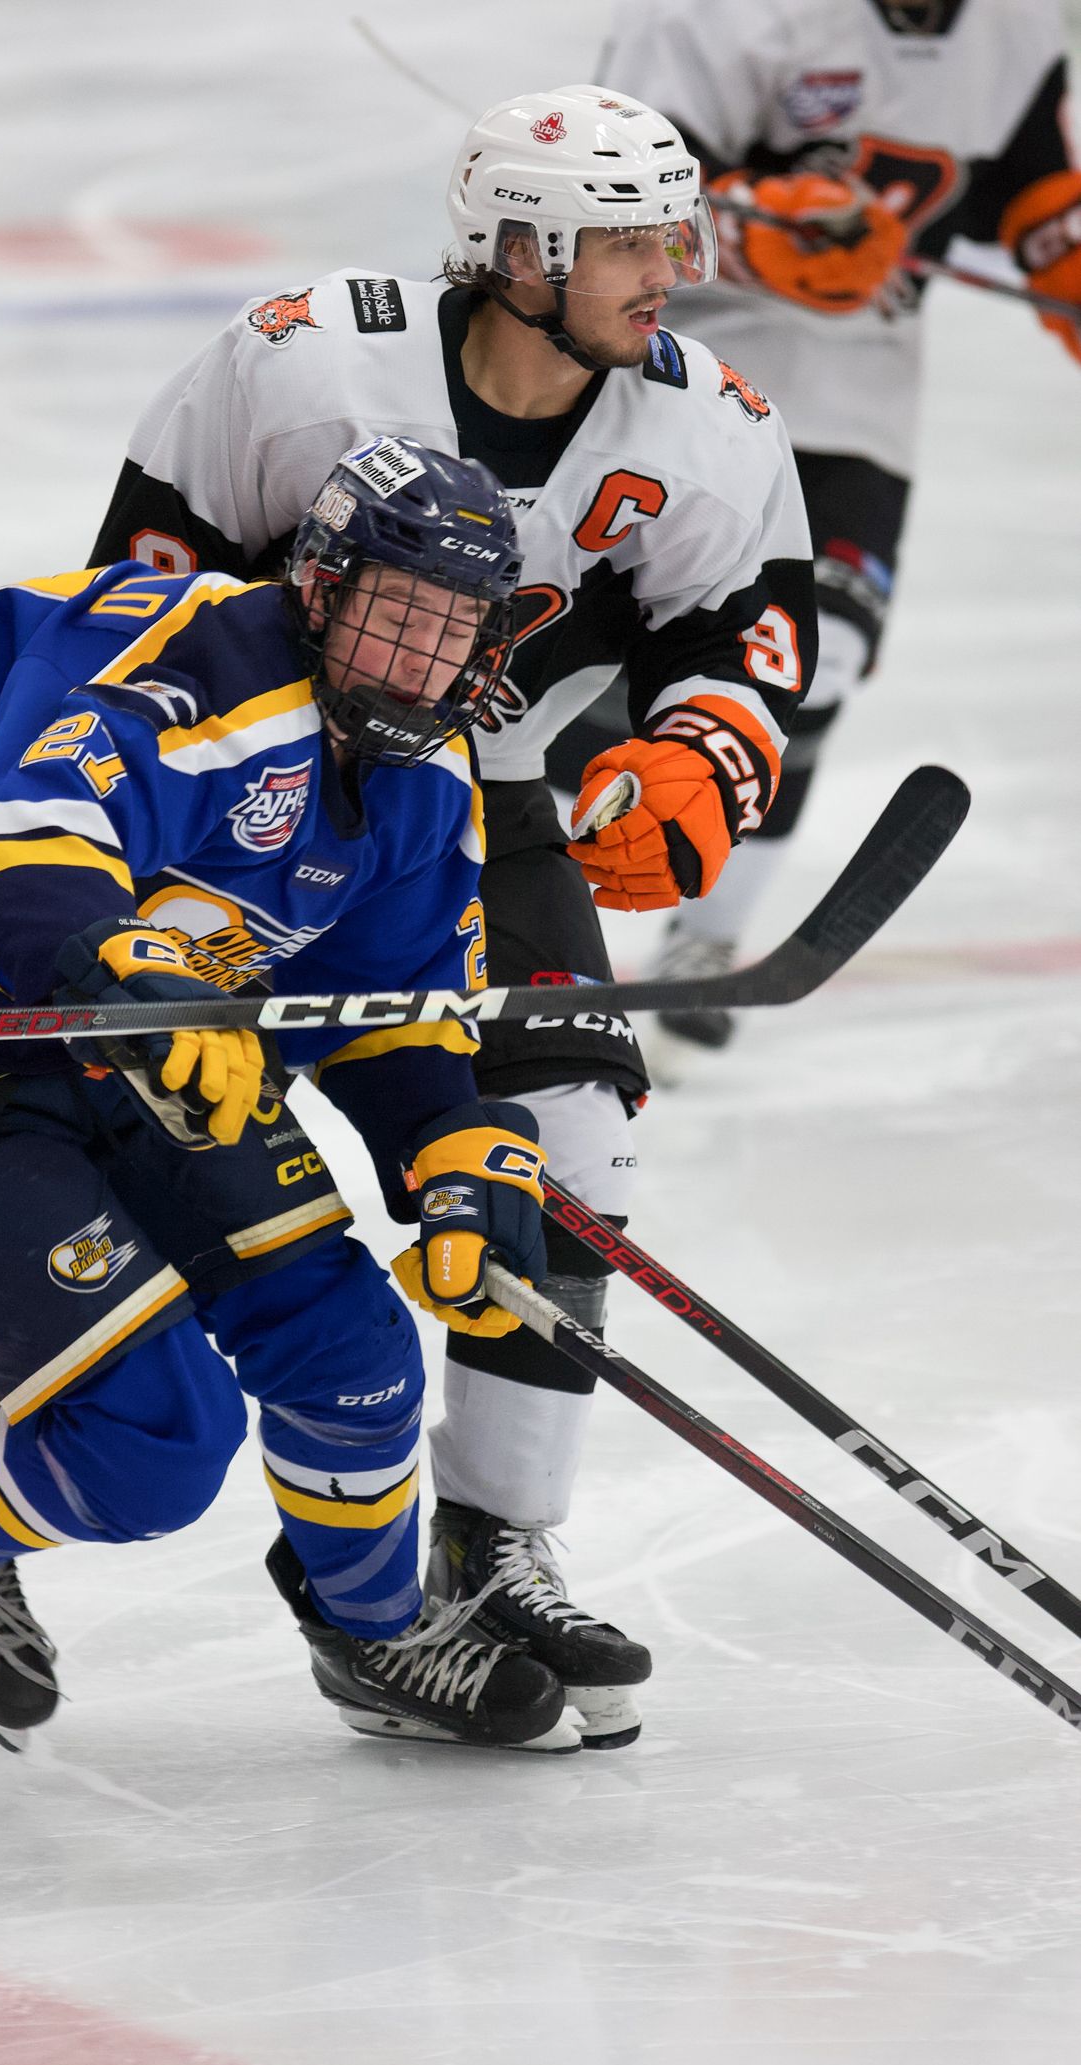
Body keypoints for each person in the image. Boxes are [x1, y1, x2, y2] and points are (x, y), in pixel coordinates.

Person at [71, 82, 817, 1745]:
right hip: (247, 794)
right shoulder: (300, 360)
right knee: (136, 1149)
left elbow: (746, 623)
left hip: (477, 805)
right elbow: (131, 585)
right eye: (621, 238)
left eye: (666, 228)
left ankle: (486, 1547)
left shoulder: (697, 421)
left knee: (573, 1142)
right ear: (515, 252)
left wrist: (699, 757)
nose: (666, 268)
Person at [0, 439, 588, 1755]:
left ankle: (378, 1633)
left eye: (452, 630)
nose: (417, 658)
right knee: (148, 1444)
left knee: (357, 1356)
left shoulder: (422, 786)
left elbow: (381, 1014)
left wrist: (449, 1146)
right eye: (394, 611)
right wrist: (139, 974)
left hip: (131, 1036)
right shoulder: (194, 666)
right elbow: (22, 845)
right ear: (321, 591)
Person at [596, 0, 1081, 1064]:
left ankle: (707, 942)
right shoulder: (714, 17)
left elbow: (1030, 185)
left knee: (818, 658)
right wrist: (756, 230)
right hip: (675, 374)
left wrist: (1063, 254)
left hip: (858, 402)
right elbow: (604, 205)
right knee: (586, 660)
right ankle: (513, 865)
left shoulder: (1016, 26)